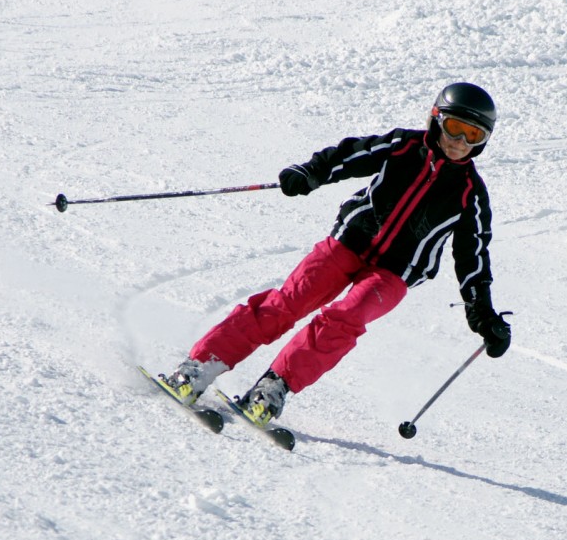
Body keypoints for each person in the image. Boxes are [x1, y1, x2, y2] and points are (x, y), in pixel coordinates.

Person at [161, 82, 512, 425]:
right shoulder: (404, 145)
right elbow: (351, 155)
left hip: (393, 274)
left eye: (473, 135)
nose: (459, 142)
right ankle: (198, 368)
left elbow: (473, 258)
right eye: (454, 128)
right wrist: (310, 172)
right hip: (349, 241)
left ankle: (272, 389)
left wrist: (483, 315)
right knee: (285, 304)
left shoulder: (471, 195)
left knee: (346, 318)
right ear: (436, 119)